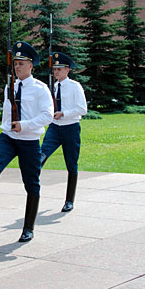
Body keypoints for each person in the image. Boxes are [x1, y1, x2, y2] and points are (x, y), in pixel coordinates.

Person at [0, 41, 53, 242]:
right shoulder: (10, 86)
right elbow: (7, 111)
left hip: (29, 140)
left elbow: (47, 116)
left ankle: (28, 228)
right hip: (8, 136)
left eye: (22, 63)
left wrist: (25, 125)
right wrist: (8, 127)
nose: (17, 66)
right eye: (15, 63)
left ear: (31, 65)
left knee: (32, 183)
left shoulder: (40, 89)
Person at [41, 52, 87, 212]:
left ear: (67, 70)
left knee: (71, 165)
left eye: (59, 69)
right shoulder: (52, 87)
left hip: (70, 128)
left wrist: (64, 114)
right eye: (54, 70)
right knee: (42, 154)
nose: (56, 73)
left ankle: (69, 200)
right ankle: (33, 186)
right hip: (54, 127)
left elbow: (83, 109)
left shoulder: (75, 86)